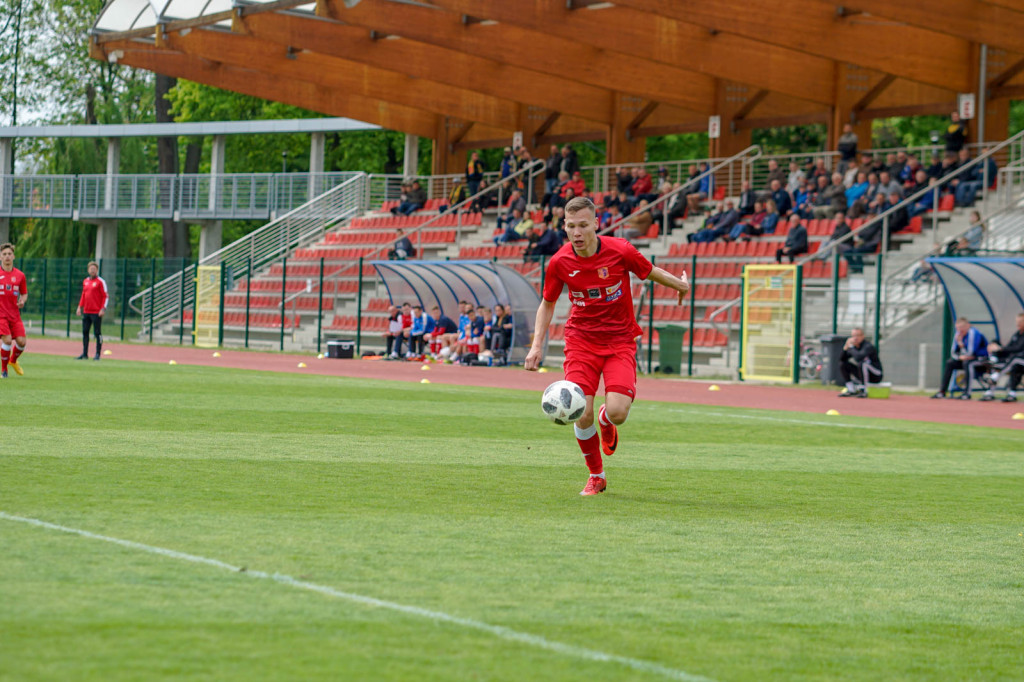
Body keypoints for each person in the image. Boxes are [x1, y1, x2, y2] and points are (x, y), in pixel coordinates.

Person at [524, 196, 690, 496]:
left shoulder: (620, 250)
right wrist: (536, 346)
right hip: (581, 342)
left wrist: (680, 285)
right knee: (580, 412)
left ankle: (606, 418)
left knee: (618, 413)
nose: (577, 233)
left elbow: (649, 270)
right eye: (571, 226)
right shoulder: (560, 261)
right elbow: (547, 304)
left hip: (619, 340)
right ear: (564, 226)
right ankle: (596, 476)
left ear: (596, 224)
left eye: (583, 225)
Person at [932, 317, 989, 399]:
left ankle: (967, 393)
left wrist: (961, 346)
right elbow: (953, 353)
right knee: (950, 363)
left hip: (981, 359)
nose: (960, 330)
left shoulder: (974, 333)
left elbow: (971, 352)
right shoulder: (958, 334)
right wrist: (960, 357)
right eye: (958, 328)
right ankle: (942, 391)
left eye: (962, 327)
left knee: (968, 363)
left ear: (968, 326)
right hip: (965, 359)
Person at [981, 312, 1024, 402]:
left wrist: (1001, 348)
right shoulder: (1017, 334)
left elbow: (1018, 348)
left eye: (1020, 322)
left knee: (1015, 359)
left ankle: (996, 376)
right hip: (1014, 362)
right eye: (1017, 322)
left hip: (1020, 359)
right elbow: (1009, 347)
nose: (1017, 324)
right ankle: (991, 393)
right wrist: (997, 348)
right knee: (998, 364)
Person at [0, 243, 28, 379]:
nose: (7, 257)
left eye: (9, 254)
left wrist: (22, 301)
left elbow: (24, 293)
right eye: (4, 254)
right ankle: (4, 370)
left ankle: (12, 361)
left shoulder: (20, 275)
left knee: (22, 342)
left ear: (13, 256)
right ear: (0, 257)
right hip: (1, 315)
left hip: (15, 315)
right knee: (7, 340)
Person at [76, 260, 108, 360]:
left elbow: (105, 296)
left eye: (94, 269)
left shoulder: (100, 282)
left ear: (97, 270)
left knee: (97, 333)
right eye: (91, 269)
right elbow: (83, 295)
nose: (92, 270)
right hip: (87, 311)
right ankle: (85, 353)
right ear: (88, 270)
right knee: (85, 331)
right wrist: (79, 307)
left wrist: (103, 309)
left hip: (96, 312)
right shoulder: (85, 281)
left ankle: (98, 354)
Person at [837, 327, 883, 397]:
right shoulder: (854, 347)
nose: (855, 338)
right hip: (863, 375)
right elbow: (842, 359)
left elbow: (859, 357)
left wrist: (851, 347)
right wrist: (845, 347)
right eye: (853, 336)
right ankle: (851, 389)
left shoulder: (868, 346)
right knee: (843, 364)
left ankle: (864, 390)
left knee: (863, 364)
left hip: (876, 375)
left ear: (863, 336)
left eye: (858, 335)